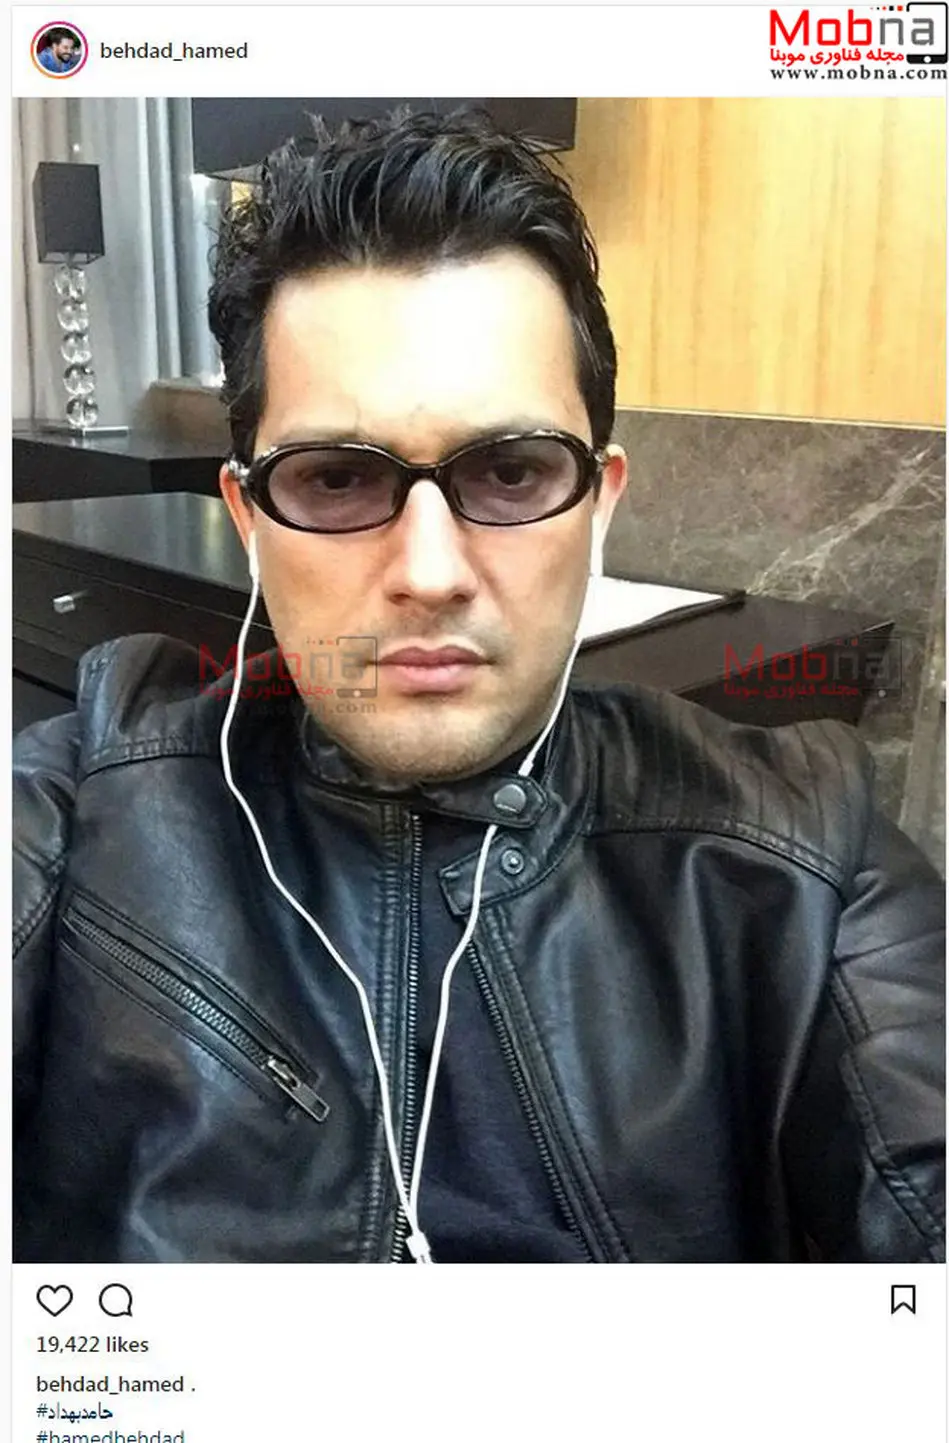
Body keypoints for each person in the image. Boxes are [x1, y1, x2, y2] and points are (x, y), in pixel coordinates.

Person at [13, 111, 945, 1264]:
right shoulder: (75, 812)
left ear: (597, 504)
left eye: (508, 472)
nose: (430, 573)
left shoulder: (805, 854)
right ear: (249, 518)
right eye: (337, 478)